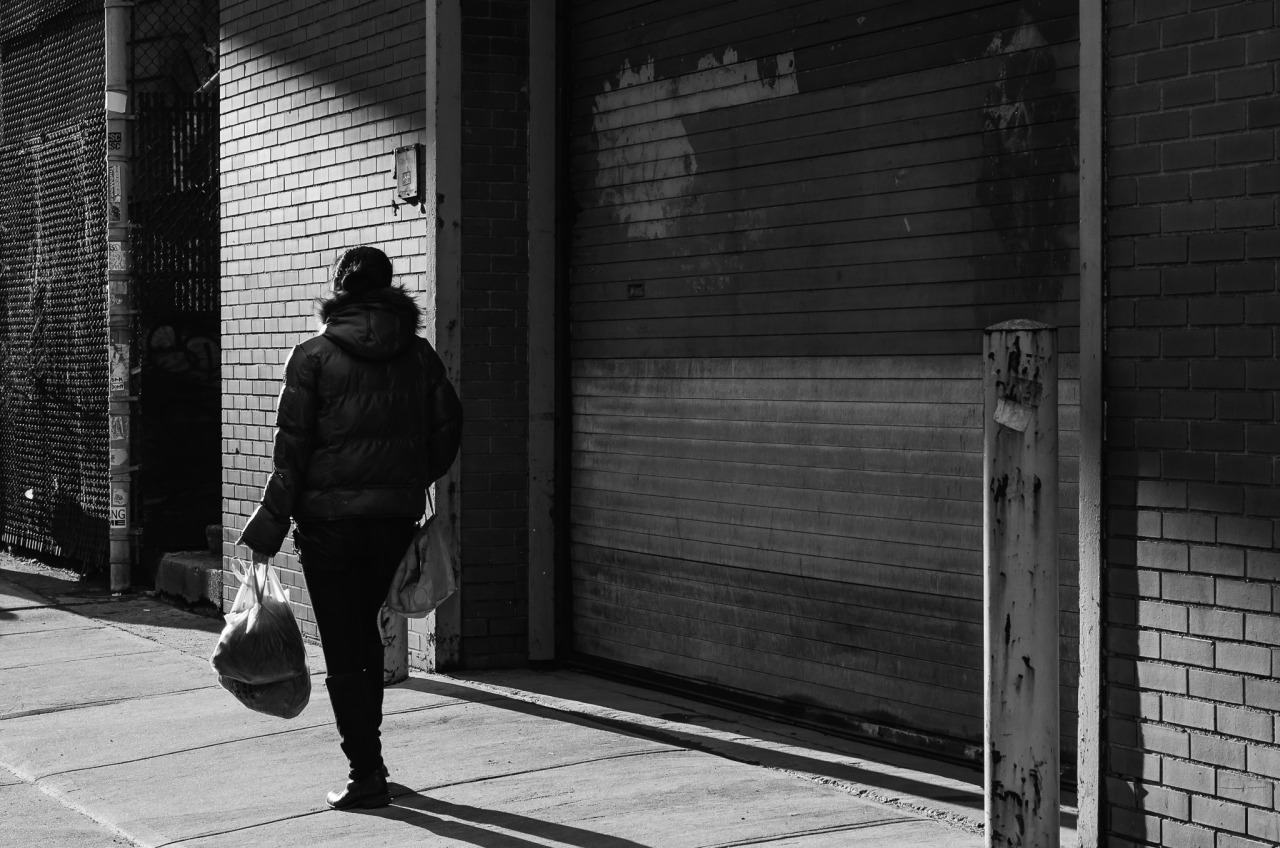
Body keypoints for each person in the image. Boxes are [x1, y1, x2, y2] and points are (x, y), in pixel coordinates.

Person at [238, 246, 462, 810]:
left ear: (339, 288)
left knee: (344, 642)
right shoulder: (418, 355)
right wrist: (407, 480)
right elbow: (447, 430)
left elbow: (290, 456)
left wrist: (267, 529)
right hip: (392, 519)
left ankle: (366, 773)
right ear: (389, 290)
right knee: (367, 631)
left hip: (328, 525)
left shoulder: (312, 355)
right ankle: (374, 763)